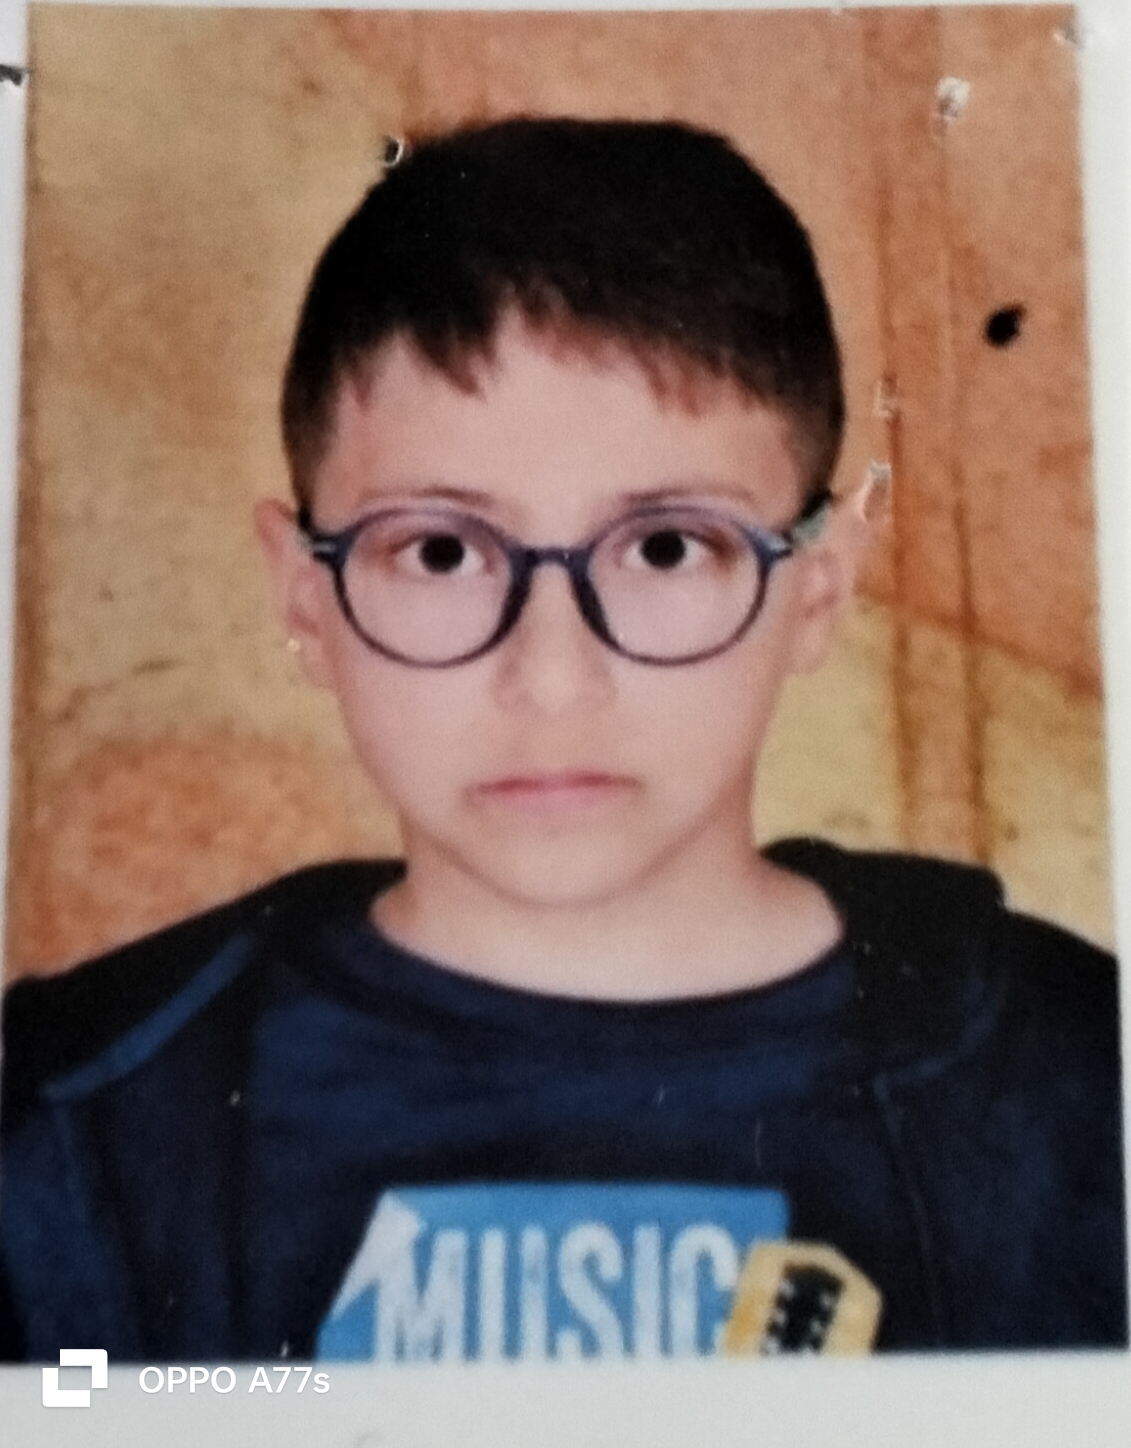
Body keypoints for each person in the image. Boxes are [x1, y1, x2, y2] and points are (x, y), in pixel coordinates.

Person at [0, 118, 1124, 1364]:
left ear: (819, 586)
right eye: (440, 551)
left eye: (664, 547)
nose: (550, 681)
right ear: (303, 596)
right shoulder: (68, 1127)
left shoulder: (1087, 1086)